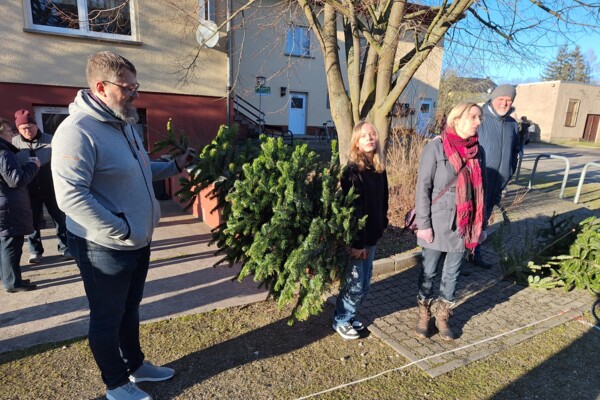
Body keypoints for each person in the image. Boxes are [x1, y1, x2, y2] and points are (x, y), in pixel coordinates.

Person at [51, 51, 192, 400]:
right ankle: (115, 385)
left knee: (130, 309)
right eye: (128, 88)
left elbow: (139, 171)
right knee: (106, 317)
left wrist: (173, 166)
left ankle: (136, 365)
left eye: (136, 87)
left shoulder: (124, 123)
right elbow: (70, 197)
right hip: (104, 247)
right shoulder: (77, 132)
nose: (135, 95)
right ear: (101, 86)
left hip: (137, 242)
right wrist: (121, 228)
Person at [414, 102, 486, 341]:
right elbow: (423, 187)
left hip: (464, 226)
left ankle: (443, 316)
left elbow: (480, 192)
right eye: (473, 116)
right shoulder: (435, 148)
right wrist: (423, 224)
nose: (478, 121)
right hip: (436, 222)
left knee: (452, 273)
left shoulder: (478, 151)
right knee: (428, 271)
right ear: (457, 119)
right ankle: (424, 314)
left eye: (480, 117)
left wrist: (481, 225)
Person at [332, 121, 389, 340]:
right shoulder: (352, 172)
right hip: (358, 239)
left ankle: (349, 313)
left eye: (372, 134)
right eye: (364, 135)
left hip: (372, 235)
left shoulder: (378, 169)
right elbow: (353, 210)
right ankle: (341, 320)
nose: (369, 138)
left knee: (365, 284)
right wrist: (356, 244)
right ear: (356, 141)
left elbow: (384, 199)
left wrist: (382, 222)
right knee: (354, 283)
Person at [471, 84, 520, 269]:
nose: (505, 103)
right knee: (469, 215)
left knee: (484, 217)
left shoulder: (511, 124)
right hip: (477, 179)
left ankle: (475, 251)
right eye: (502, 99)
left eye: (509, 100)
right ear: (493, 98)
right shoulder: (479, 118)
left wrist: (509, 171)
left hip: (498, 181)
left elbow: (516, 151)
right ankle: (456, 252)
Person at [12, 109, 70, 263]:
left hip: (52, 189)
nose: (27, 130)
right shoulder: (14, 144)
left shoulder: (51, 140)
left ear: (36, 126)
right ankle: (35, 252)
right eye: (23, 128)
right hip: (28, 190)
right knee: (32, 223)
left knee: (60, 219)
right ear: (17, 130)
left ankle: (65, 248)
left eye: (30, 126)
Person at [0, 118, 40, 292]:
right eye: (10, 131)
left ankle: (10, 278)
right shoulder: (3, 152)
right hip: (8, 206)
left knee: (6, 244)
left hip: (5, 203)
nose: (13, 135)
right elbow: (16, 180)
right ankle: (13, 283)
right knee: (11, 245)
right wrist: (33, 166)